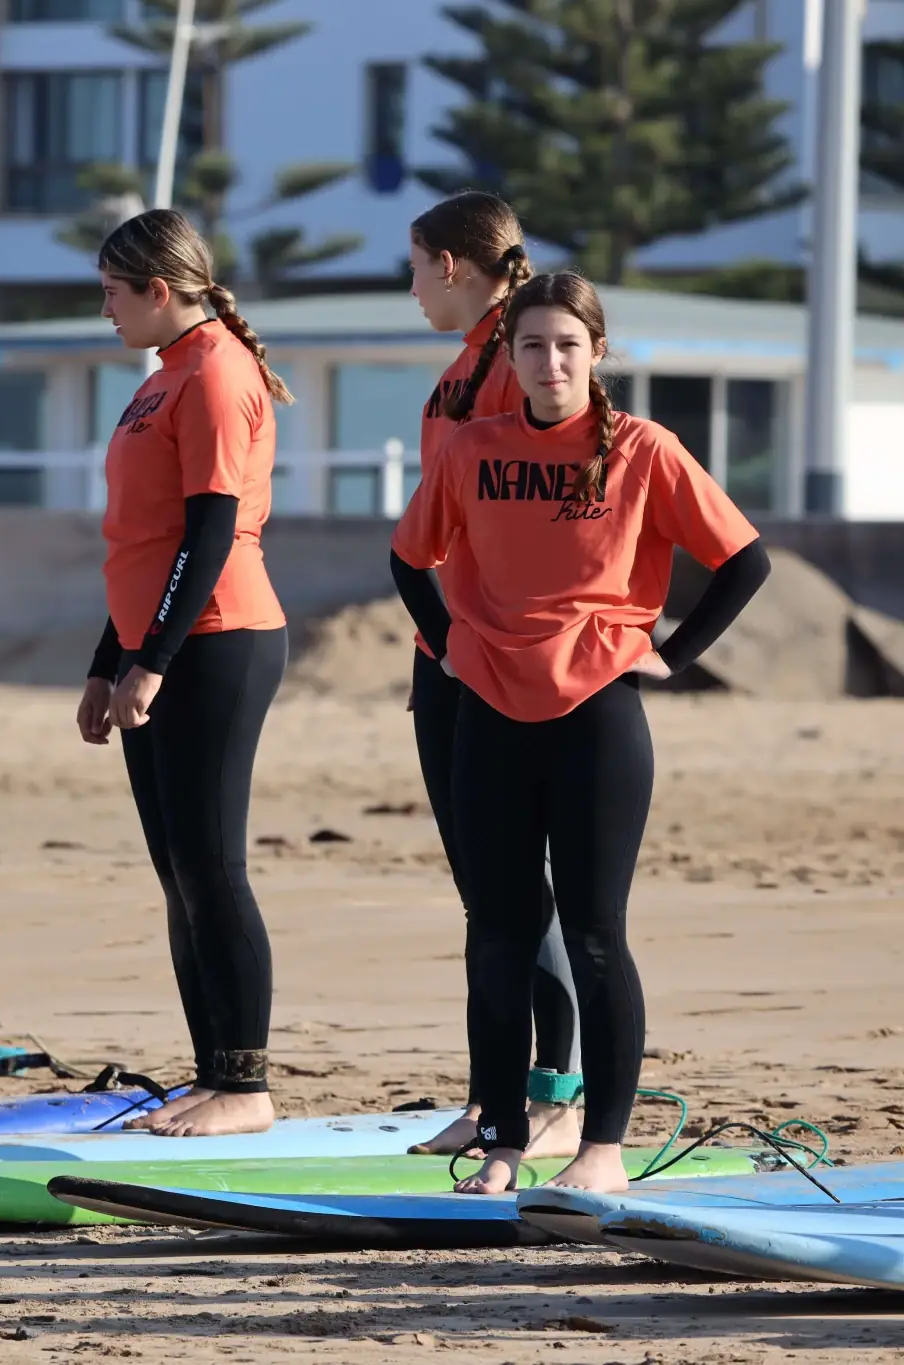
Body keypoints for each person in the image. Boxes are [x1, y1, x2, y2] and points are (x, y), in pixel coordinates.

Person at [391, 272, 770, 1194]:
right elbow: (409, 559)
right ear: (511, 357)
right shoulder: (472, 447)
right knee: (500, 932)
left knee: (595, 930)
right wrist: (450, 647)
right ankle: (505, 1138)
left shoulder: (642, 448)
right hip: (489, 711)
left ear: (596, 351)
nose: (550, 361)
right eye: (532, 345)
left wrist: (671, 658)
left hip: (597, 714)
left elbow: (745, 559)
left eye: (567, 344)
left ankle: (603, 1145)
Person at [77, 208, 289, 1139]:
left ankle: (246, 1083)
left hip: (217, 639)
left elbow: (208, 530)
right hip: (165, 640)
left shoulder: (212, 374)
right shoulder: (165, 376)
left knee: (212, 865)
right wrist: (106, 658)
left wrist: (151, 658)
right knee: (179, 873)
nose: (106, 311)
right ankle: (214, 1076)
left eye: (114, 294)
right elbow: (142, 539)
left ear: (160, 291)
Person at [405, 191, 583, 1158]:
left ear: (454, 266)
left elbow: (554, 507)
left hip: (497, 657)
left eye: (416, 265)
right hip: (450, 648)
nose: (413, 287)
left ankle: (553, 1087)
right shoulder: (466, 366)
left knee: (516, 884)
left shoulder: (518, 363)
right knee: (487, 886)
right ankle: (494, 1093)